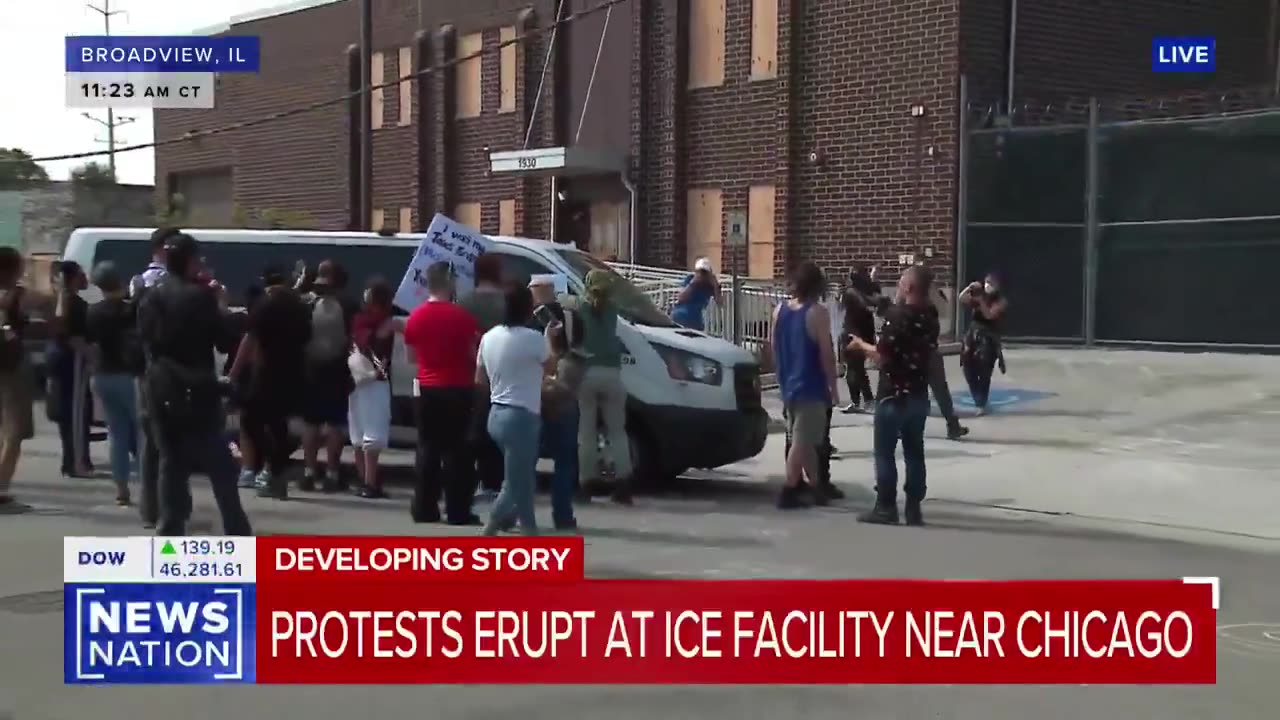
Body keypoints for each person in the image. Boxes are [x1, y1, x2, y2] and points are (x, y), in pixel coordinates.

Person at [137, 233, 250, 536]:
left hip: (160, 386)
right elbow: (224, 341)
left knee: (170, 462)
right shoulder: (199, 297)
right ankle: (236, 528)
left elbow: (145, 343)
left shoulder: (151, 295)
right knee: (219, 464)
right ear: (189, 261)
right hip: (197, 388)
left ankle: (169, 527)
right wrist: (223, 307)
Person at [849, 265, 937, 526]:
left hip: (893, 395)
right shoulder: (930, 317)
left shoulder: (897, 317)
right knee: (914, 451)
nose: (897, 288)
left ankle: (886, 506)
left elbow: (882, 356)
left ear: (909, 287)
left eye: (900, 283)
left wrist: (860, 345)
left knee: (885, 453)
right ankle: (913, 508)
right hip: (919, 394)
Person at [403, 261, 481, 525]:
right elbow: (474, 355)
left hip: (427, 388)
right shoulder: (463, 317)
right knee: (458, 452)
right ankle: (457, 510)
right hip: (459, 387)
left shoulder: (416, 317)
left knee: (427, 449)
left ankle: (424, 508)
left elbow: (411, 357)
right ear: (450, 284)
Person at [478, 285, 553, 536]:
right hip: (522, 415)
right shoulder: (533, 338)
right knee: (517, 482)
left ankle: (521, 527)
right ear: (527, 308)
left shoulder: (489, 337)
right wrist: (551, 339)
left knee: (520, 477)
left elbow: (480, 378)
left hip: (496, 412)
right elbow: (551, 366)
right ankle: (498, 526)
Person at [234, 266, 311, 499]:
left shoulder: (263, 306)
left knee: (250, 419)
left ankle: (270, 468)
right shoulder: (299, 308)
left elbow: (250, 341)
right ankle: (275, 474)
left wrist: (235, 372)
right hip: (293, 373)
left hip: (266, 372)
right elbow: (307, 340)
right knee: (279, 424)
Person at [771, 261, 840, 509]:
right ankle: (789, 489)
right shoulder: (817, 313)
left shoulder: (779, 310)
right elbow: (826, 353)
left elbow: (774, 347)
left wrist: (781, 376)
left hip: (789, 384)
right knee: (801, 442)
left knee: (806, 440)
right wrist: (833, 387)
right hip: (811, 385)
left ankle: (815, 486)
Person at [129, 226, 179, 528]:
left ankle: (151, 509)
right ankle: (168, 510)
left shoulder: (138, 281)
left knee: (150, 441)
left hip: (146, 370)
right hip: (166, 371)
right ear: (162, 248)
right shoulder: (165, 282)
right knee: (168, 444)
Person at [85, 262, 144, 505]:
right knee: (142, 434)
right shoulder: (129, 310)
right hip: (127, 376)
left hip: (102, 375)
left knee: (117, 434)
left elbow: (91, 343)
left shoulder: (93, 311)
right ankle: (148, 487)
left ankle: (121, 489)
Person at [573, 269, 634, 504]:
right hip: (612, 373)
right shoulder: (612, 310)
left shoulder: (581, 308)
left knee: (586, 432)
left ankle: (586, 482)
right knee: (617, 432)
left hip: (587, 372)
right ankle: (624, 483)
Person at [300, 260, 357, 491]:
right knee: (334, 424)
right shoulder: (349, 305)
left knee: (311, 423)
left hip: (311, 369)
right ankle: (332, 473)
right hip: (338, 369)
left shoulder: (306, 304)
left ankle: (309, 471)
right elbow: (354, 339)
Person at [529, 275, 581, 529]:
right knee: (564, 458)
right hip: (565, 389)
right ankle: (563, 514)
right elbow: (579, 346)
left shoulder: (529, 317)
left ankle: (517, 512)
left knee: (527, 457)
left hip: (536, 390)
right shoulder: (571, 315)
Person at [457, 253, 507, 496]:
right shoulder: (507, 302)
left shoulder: (464, 301)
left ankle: (471, 480)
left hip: (471, 374)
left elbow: (460, 339)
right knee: (496, 430)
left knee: (474, 428)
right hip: (504, 375)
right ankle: (493, 482)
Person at [348, 277, 397, 499]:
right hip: (377, 380)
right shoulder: (387, 322)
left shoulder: (358, 320)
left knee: (358, 433)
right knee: (373, 435)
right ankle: (370, 483)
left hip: (356, 380)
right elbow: (379, 350)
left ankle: (364, 480)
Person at [49, 260, 92, 478]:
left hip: (65, 359)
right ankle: (76, 463)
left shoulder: (64, 300)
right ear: (73, 278)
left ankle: (73, 460)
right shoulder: (72, 303)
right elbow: (72, 336)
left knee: (71, 412)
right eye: (82, 273)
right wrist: (90, 356)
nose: (86, 278)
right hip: (72, 360)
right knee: (75, 413)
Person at [0, 249, 33, 513]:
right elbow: (18, 326)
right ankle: (0, 489)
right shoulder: (14, 296)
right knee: (14, 432)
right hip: (10, 369)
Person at [923, 276, 969, 440]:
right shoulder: (910, 304)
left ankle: (953, 425)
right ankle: (904, 427)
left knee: (940, 390)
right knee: (915, 392)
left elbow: (944, 309)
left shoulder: (931, 302)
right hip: (918, 353)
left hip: (930, 351)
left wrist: (932, 290)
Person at [958, 272, 1009, 415]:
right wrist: (969, 288)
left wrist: (981, 301)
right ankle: (978, 399)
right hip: (972, 335)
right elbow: (961, 299)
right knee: (968, 367)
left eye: (992, 283)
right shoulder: (979, 295)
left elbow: (989, 315)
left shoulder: (1001, 301)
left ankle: (982, 403)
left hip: (989, 338)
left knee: (984, 371)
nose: (988, 285)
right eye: (987, 282)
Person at [839, 265, 880, 414]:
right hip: (858, 333)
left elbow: (869, 303)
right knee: (855, 369)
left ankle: (864, 400)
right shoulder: (860, 292)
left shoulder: (853, 293)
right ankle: (859, 400)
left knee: (855, 369)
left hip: (854, 334)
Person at [670, 257, 719, 331]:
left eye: (704, 272)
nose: (702, 275)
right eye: (699, 272)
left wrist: (716, 286)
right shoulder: (690, 279)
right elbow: (681, 297)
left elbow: (720, 302)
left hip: (696, 319)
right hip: (681, 315)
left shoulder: (710, 285)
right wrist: (693, 283)